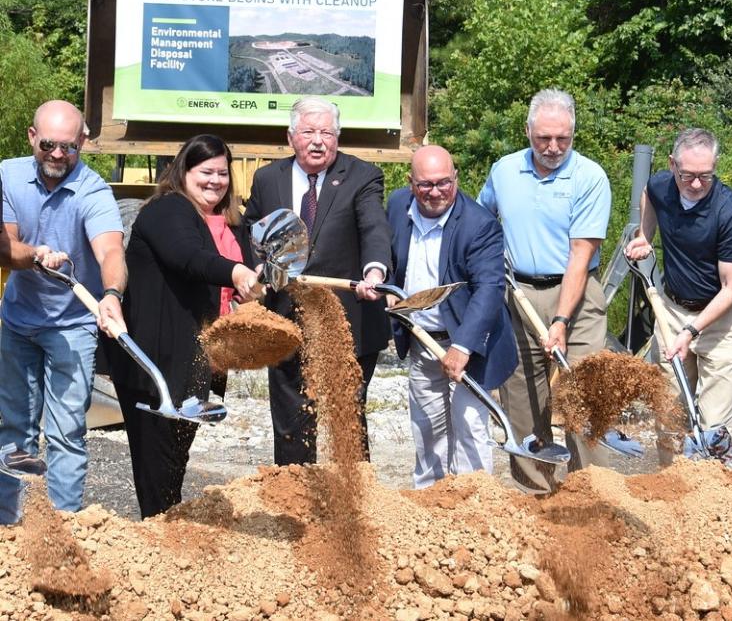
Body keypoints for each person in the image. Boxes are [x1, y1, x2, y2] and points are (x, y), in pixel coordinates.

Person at [107, 134, 261, 518]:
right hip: (154, 363)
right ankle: (157, 547)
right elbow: (188, 257)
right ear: (183, 171)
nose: (215, 181)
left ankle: (167, 543)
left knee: (174, 468)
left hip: (192, 364)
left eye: (222, 173)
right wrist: (235, 271)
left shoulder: (225, 223)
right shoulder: (168, 209)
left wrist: (247, 292)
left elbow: (215, 285)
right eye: (205, 171)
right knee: (157, 472)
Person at [243, 97, 391, 466]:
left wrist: (375, 270)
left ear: (337, 137)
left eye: (326, 132)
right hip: (286, 317)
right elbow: (252, 231)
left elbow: (373, 227)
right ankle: (296, 497)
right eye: (309, 131)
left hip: (346, 318)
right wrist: (256, 267)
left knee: (347, 414)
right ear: (291, 136)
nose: (318, 141)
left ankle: (354, 495)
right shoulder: (267, 178)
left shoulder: (362, 176)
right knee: (292, 417)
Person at [479, 88, 611, 494]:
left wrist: (560, 320)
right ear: (528, 131)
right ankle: (536, 494)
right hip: (517, 294)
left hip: (576, 298)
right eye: (543, 139)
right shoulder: (504, 171)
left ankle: (592, 494)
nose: (553, 148)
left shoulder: (590, 177)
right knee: (521, 399)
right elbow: (481, 222)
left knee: (581, 395)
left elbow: (580, 254)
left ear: (573, 134)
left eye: (563, 140)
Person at [0, 99, 127, 520]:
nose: (58, 155)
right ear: (33, 137)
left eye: (69, 147)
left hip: (73, 326)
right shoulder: (8, 175)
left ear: (83, 142)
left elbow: (110, 250)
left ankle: (64, 527)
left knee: (67, 432)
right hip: (18, 322)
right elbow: (6, 247)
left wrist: (111, 294)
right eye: (49, 145)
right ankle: (12, 526)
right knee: (15, 431)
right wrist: (34, 255)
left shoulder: (93, 189)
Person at [387, 145, 517, 489]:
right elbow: (387, 255)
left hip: (470, 342)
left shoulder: (479, 224)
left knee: (470, 423)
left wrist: (463, 345)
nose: (435, 192)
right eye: (426, 185)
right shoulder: (397, 206)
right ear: (410, 182)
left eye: (444, 183)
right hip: (422, 338)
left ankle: (475, 498)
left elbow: (489, 288)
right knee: (427, 426)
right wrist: (384, 282)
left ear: (455, 178)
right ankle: (430, 497)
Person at [624, 128, 732, 465]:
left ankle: (713, 501)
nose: (696, 184)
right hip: (671, 309)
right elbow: (648, 195)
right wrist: (645, 236)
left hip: (720, 321)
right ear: (672, 165)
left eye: (705, 176)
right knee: (669, 417)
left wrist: (692, 331)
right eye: (688, 176)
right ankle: (671, 490)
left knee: (714, 428)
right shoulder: (663, 185)